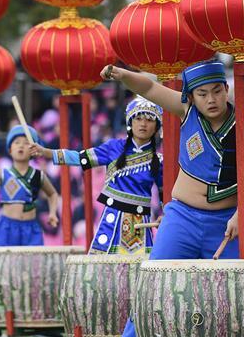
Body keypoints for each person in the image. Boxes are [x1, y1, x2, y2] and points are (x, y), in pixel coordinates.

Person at [100, 60, 244, 337]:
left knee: (230, 291)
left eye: (217, 91)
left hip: (225, 221)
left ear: (227, 90)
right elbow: (148, 88)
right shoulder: (186, 111)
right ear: (192, 96)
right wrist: (120, 74)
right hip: (182, 215)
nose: (211, 99)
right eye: (203, 93)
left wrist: (242, 214)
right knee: (155, 277)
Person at [31, 96, 161, 255]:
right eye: (138, 118)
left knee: (138, 272)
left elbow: (166, 192)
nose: (143, 124)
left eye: (149, 120)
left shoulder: (159, 159)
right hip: (112, 218)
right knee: (104, 268)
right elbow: (80, 158)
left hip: (140, 223)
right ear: (130, 122)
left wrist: (166, 215)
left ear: (156, 127)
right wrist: (47, 152)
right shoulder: (113, 147)